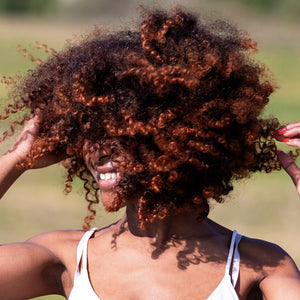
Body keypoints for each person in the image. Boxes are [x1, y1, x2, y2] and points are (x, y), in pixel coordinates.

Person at [0, 7, 300, 300]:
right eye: (89, 132)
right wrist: (16, 159)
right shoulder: (68, 257)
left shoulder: (258, 266)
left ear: (181, 139)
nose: (96, 148)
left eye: (121, 134)